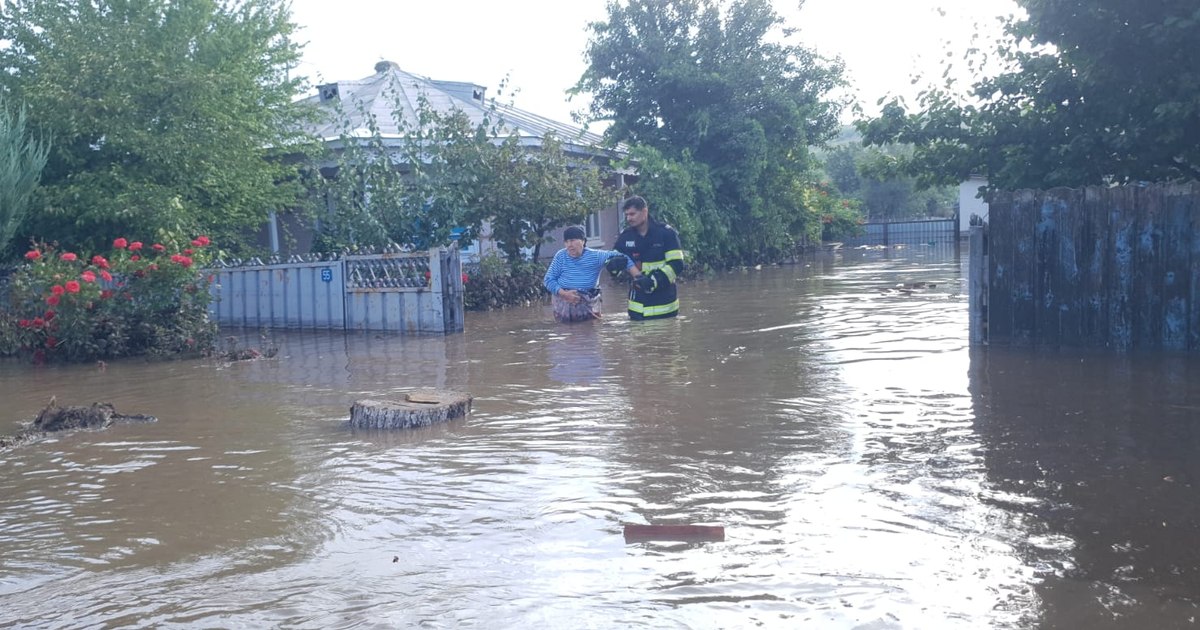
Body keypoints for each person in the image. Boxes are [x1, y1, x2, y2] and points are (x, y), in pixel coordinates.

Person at [610, 196, 684, 320]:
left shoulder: (666, 233)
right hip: (637, 312)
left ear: (644, 211)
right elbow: (612, 266)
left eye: (632, 214)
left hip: (665, 309)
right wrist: (613, 265)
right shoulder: (625, 237)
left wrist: (654, 280)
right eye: (627, 215)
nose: (629, 218)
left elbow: (677, 264)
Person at [543, 225, 633, 323]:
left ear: (583, 241)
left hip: (588, 305)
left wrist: (637, 275)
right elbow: (548, 280)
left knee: (590, 330)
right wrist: (564, 294)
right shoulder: (561, 256)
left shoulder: (596, 256)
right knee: (565, 331)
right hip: (563, 304)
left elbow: (624, 257)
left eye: (573, 240)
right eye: (566, 241)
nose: (569, 245)